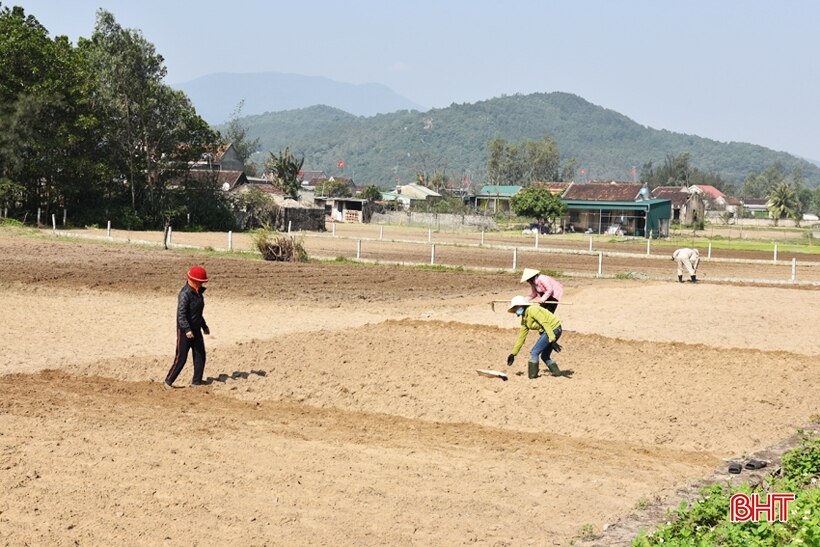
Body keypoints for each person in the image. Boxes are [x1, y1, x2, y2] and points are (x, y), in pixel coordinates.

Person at [164, 265, 211, 388]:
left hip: (196, 329)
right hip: (185, 331)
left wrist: (204, 326)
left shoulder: (199, 294)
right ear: (194, 281)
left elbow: (198, 314)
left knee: (200, 355)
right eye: (200, 282)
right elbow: (181, 314)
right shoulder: (185, 294)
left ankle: (197, 381)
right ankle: (168, 381)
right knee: (181, 357)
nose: (201, 284)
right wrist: (187, 329)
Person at [505, 295, 563, 379]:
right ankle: (557, 373)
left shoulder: (533, 310)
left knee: (534, 352)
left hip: (553, 329)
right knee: (545, 356)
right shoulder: (525, 319)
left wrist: (552, 339)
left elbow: (545, 323)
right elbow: (521, 337)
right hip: (550, 332)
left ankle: (533, 376)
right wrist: (513, 354)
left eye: (516, 307)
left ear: (522, 305)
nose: (515, 310)